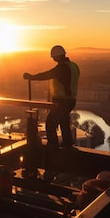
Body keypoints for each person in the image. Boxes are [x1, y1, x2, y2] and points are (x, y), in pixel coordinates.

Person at [23, 45, 80, 178]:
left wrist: (31, 77)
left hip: (62, 101)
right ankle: (67, 143)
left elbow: (48, 74)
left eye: (54, 56)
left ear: (57, 56)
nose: (53, 58)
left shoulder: (62, 67)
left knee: (50, 124)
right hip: (70, 100)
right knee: (64, 122)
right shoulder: (73, 66)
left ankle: (52, 150)